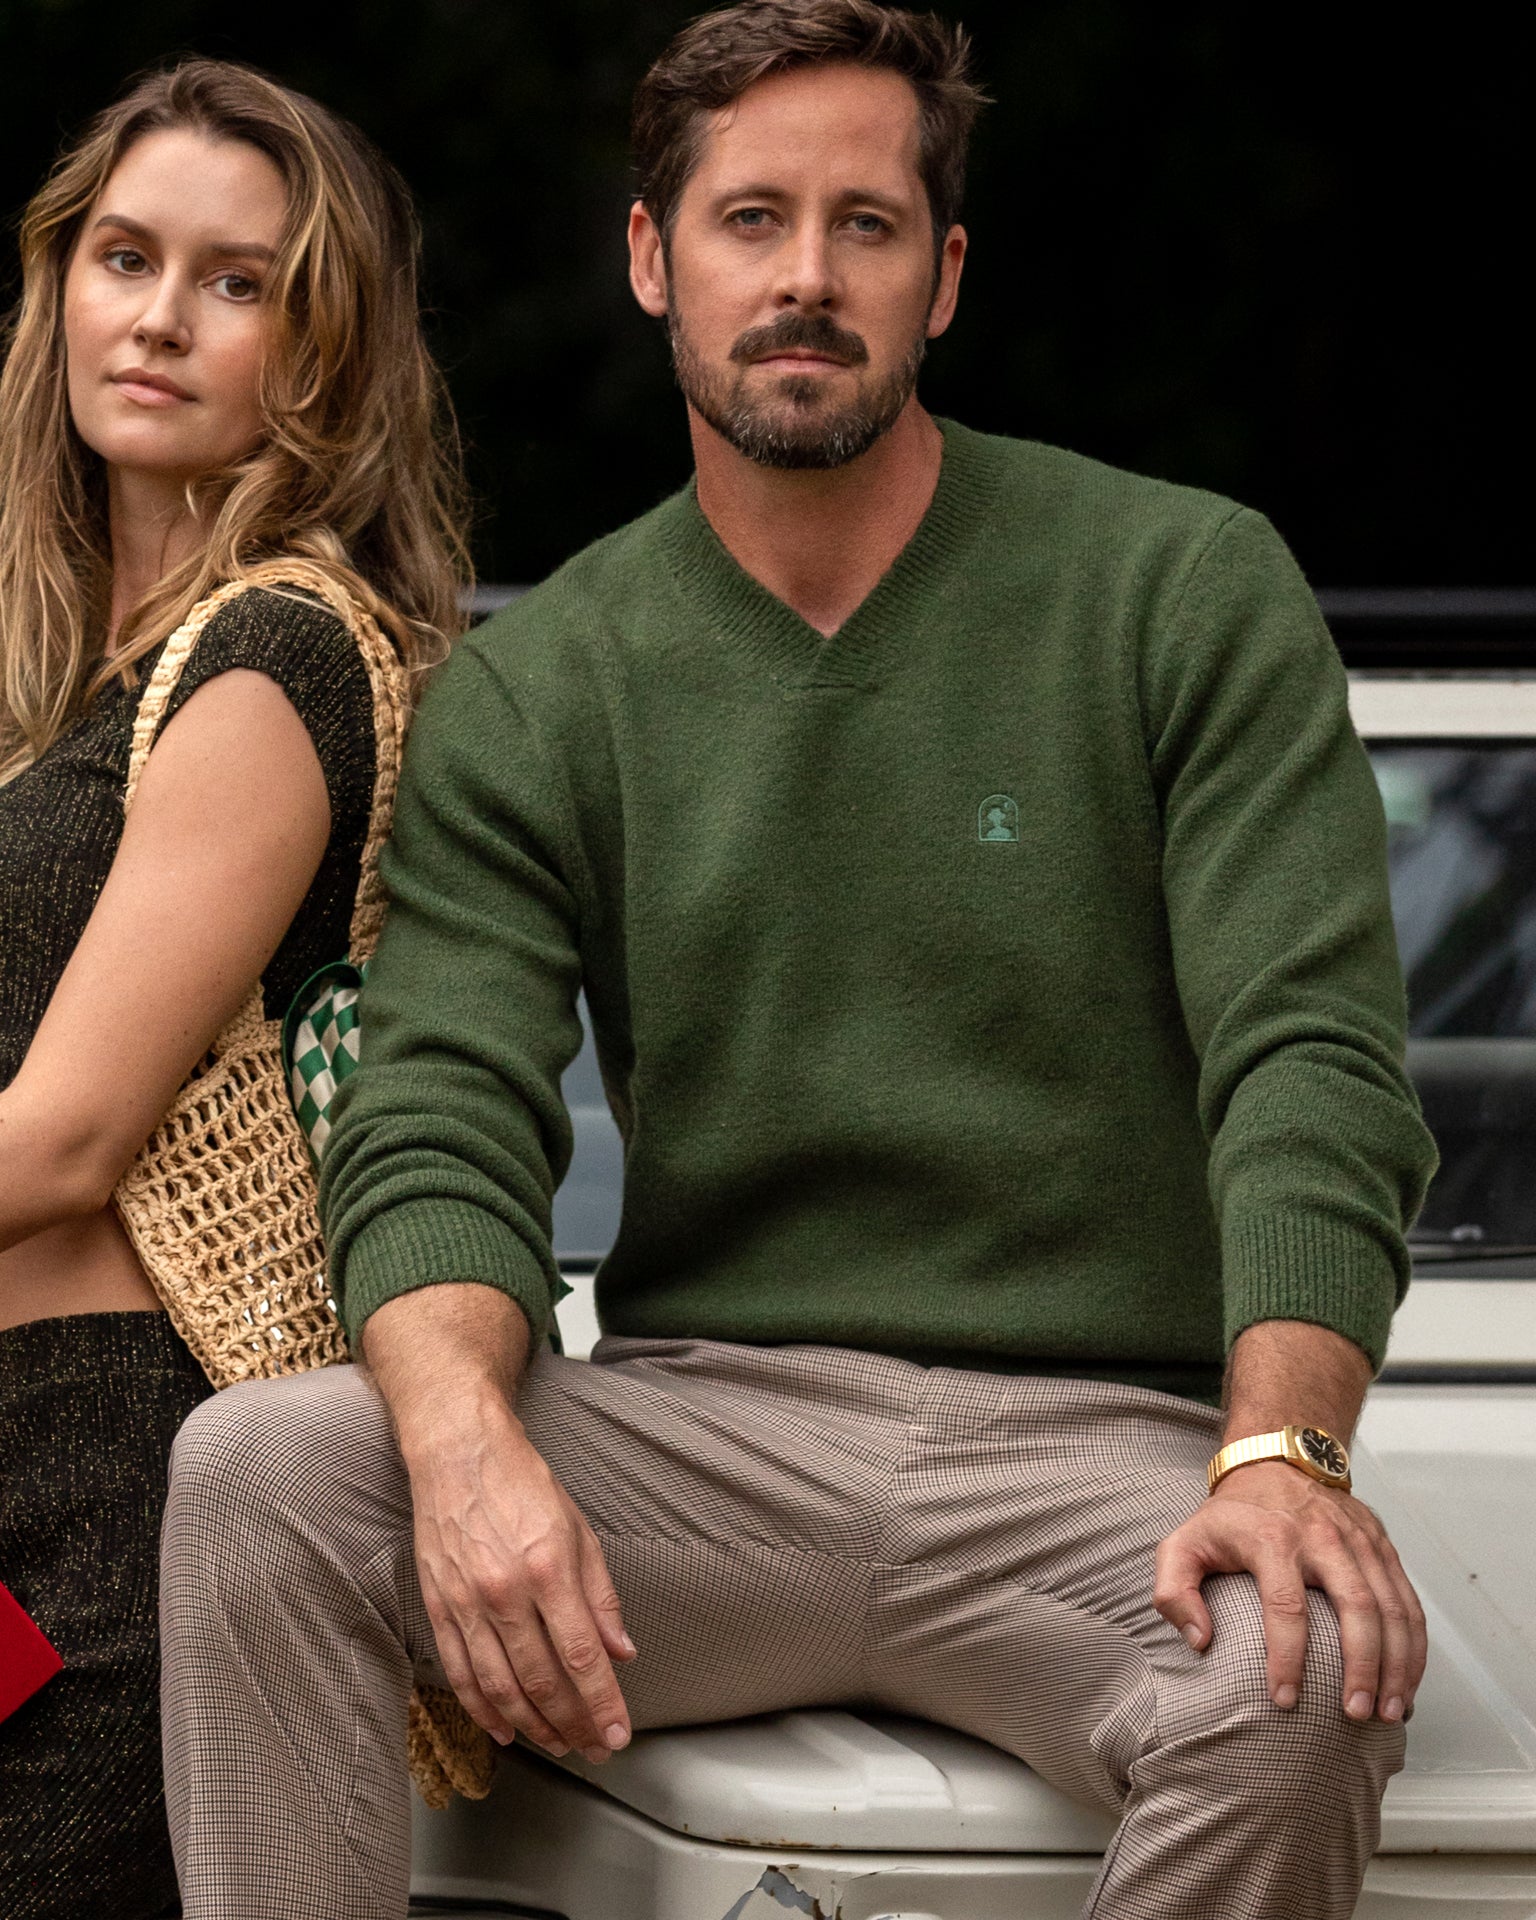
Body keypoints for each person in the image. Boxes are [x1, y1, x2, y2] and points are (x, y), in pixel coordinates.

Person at [159, 5, 1438, 1917]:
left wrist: (1281, 1444)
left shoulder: (1177, 586)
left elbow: (1313, 1060)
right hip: (705, 1438)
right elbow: (436, 1113)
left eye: (867, 225)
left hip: (1107, 1454)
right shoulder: (545, 680)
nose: (808, 280)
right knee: (264, 1477)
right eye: (752, 220)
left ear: (945, 279)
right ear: (655, 261)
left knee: (1305, 1666)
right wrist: (463, 1442)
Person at [0, 59, 467, 1920]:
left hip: (123, 1460)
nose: (162, 317)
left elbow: (71, 1134)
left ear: (324, 343)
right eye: (124, 257)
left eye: (238, 280)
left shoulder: (272, 657)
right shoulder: (75, 673)